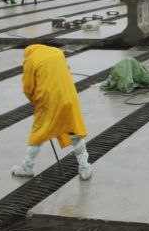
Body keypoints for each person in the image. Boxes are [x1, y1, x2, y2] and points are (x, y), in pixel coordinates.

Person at [12, 44, 94, 180]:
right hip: (69, 97)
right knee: (74, 132)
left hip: (48, 101)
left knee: (38, 134)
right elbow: (66, 72)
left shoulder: (30, 59)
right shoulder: (57, 53)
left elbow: (28, 87)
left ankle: (27, 167)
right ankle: (85, 168)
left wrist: (35, 101)